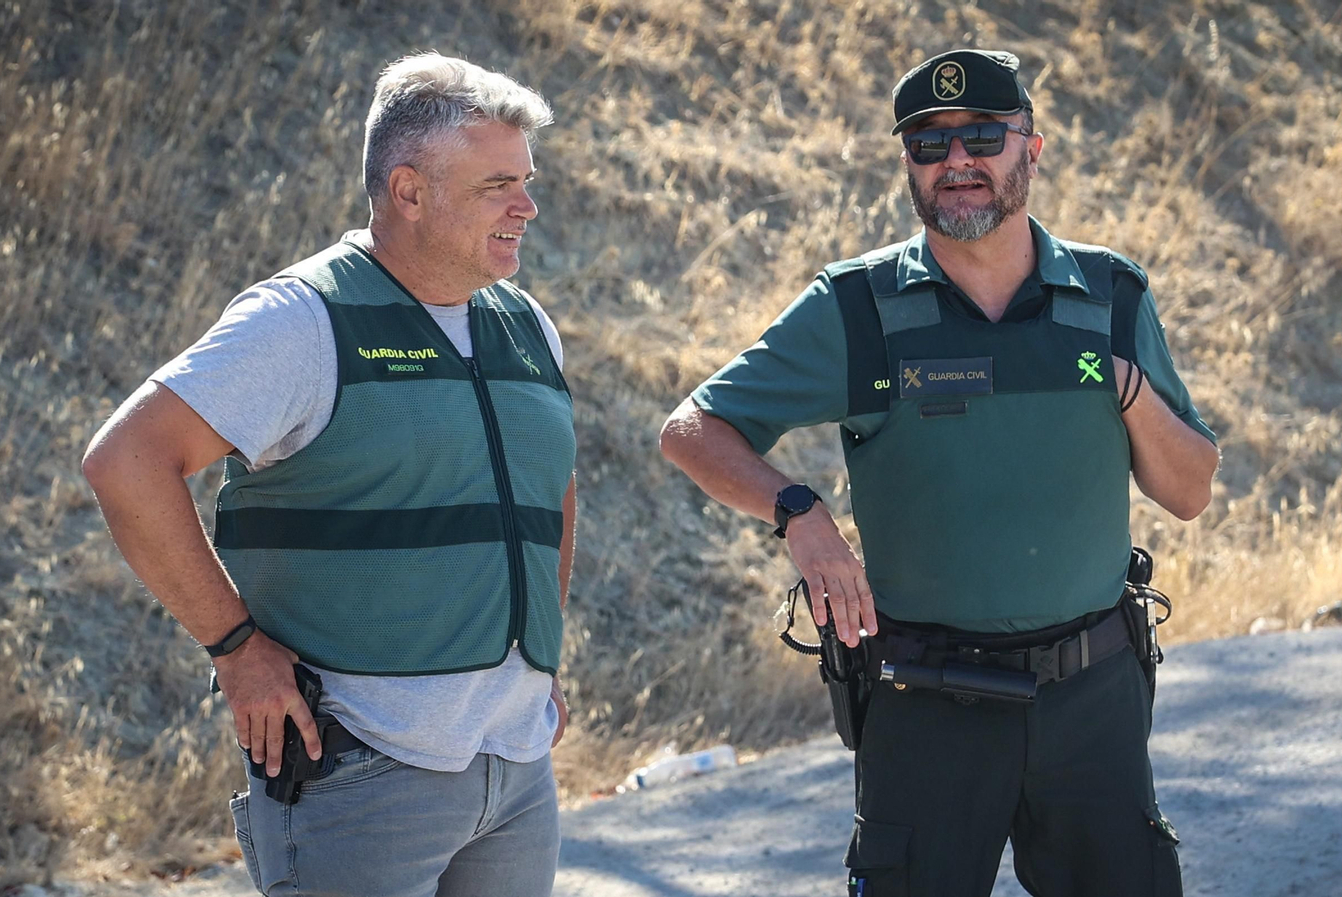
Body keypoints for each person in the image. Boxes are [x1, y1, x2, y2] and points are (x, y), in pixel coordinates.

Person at [659, 48, 1218, 897]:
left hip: (1092, 702)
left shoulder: (1111, 295)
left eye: (983, 136)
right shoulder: (857, 307)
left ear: (1032, 149)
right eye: (929, 143)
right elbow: (693, 429)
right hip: (926, 701)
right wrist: (799, 513)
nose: (957, 161)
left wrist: (1125, 385)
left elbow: (1190, 491)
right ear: (909, 165)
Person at [82, 52, 576, 897]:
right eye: (498, 185)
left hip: (517, 771)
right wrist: (237, 648)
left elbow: (547, 492)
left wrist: (541, 672)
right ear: (409, 191)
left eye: (525, 181)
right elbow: (126, 463)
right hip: (360, 773)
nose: (526, 206)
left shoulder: (526, 323)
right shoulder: (302, 320)